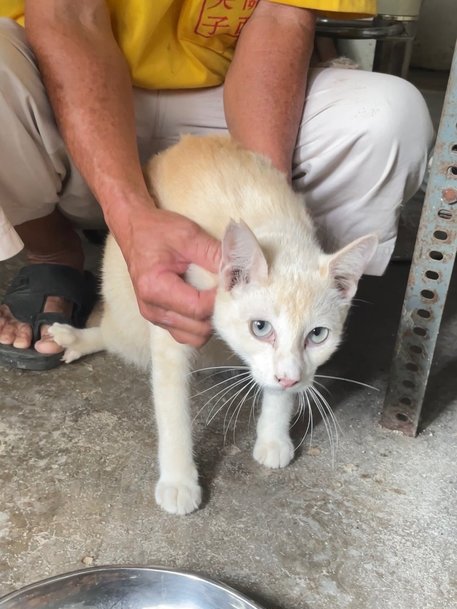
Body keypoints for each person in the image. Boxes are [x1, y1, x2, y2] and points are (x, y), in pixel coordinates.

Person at [0, 0, 433, 369]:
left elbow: (280, 18)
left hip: (221, 98)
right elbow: (67, 14)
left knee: (390, 118)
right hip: (68, 92)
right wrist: (130, 215)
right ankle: (53, 250)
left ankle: (298, 301)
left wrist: (265, 210)